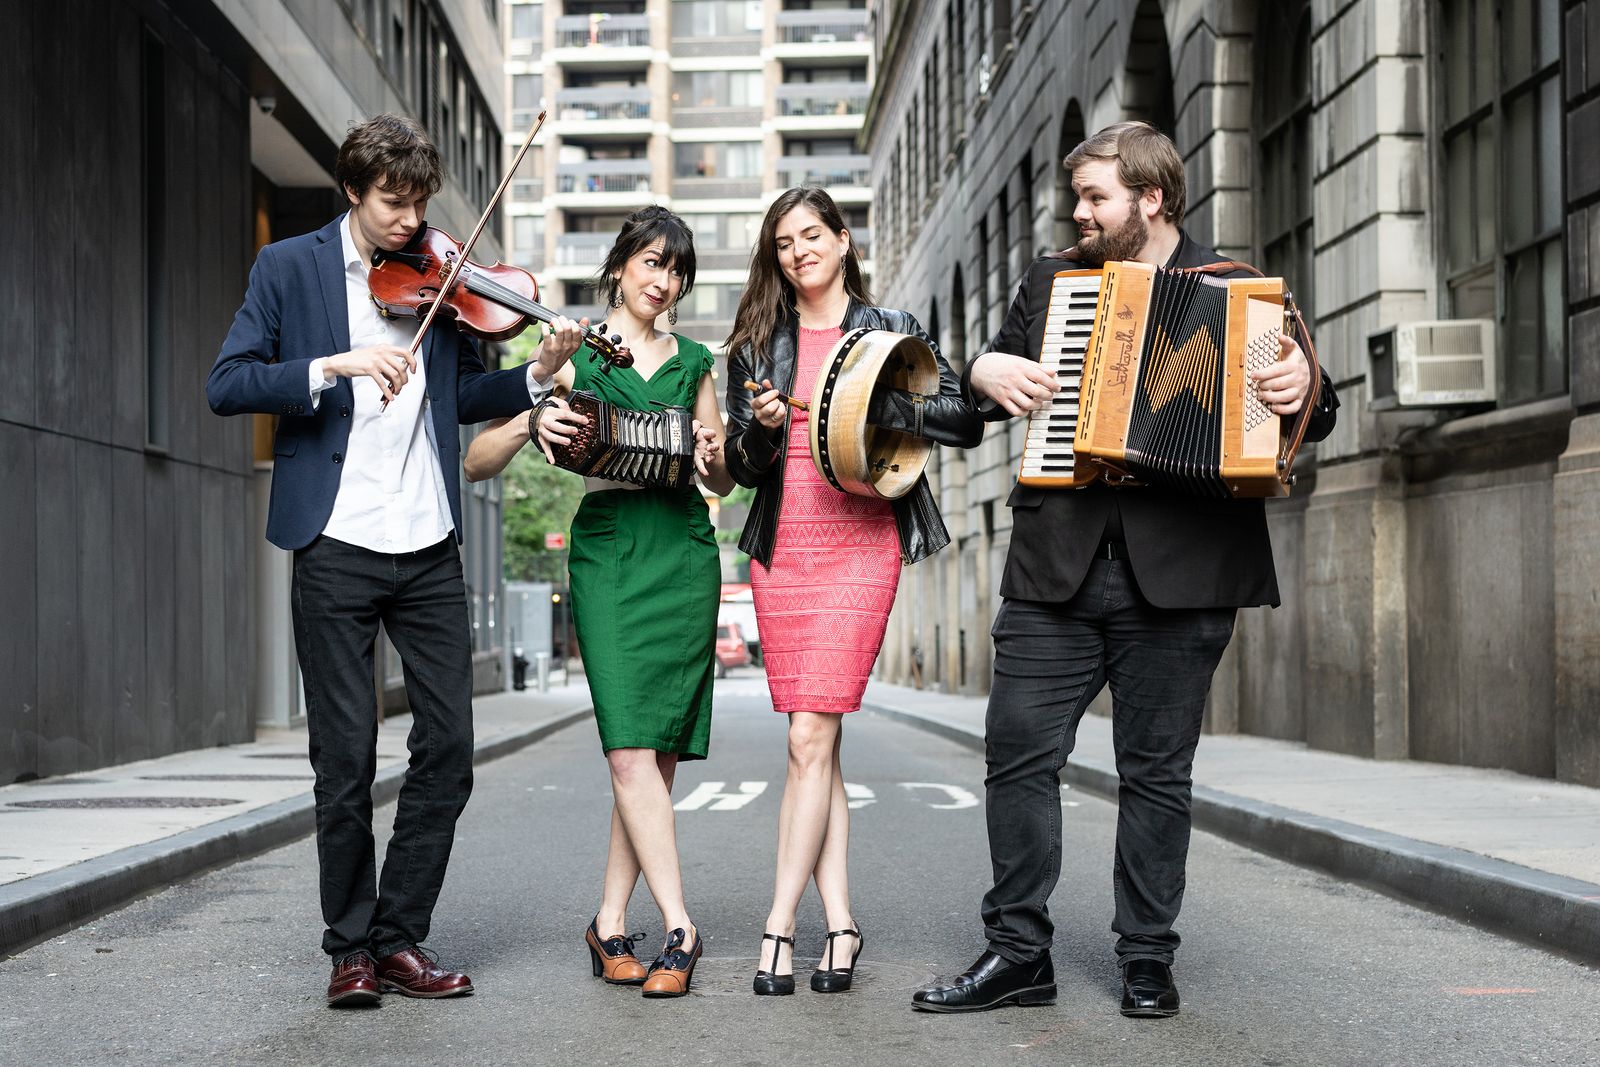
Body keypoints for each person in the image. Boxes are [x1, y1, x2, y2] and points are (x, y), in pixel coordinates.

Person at [911, 121, 1340, 1019]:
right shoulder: (1050, 282)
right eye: (1078, 197)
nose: (1080, 213)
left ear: (1152, 198)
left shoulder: (1237, 289)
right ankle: (1018, 952)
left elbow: (1317, 407)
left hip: (1184, 573)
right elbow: (968, 409)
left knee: (1157, 773)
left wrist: (1306, 384)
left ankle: (1147, 956)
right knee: (1017, 753)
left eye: (1095, 197)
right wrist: (982, 369)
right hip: (1057, 567)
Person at [206, 114, 585, 1007]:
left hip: (425, 542)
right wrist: (332, 365)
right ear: (353, 190)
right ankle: (349, 947)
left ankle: (399, 935)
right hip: (334, 540)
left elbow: (465, 393)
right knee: (343, 758)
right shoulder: (287, 267)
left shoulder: (441, 278)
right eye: (392, 203)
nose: (411, 222)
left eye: (420, 203)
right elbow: (228, 382)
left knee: (448, 747)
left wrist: (537, 374)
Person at [463, 205, 731, 998]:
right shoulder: (573, 353)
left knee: (652, 756)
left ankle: (609, 922)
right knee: (626, 751)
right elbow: (476, 459)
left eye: (676, 269)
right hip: (610, 549)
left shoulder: (695, 362)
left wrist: (716, 455)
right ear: (620, 265)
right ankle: (681, 926)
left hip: (683, 549)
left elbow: (720, 477)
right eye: (652, 262)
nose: (664, 280)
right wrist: (533, 411)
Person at [723, 187, 983, 996]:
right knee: (816, 742)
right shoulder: (755, 344)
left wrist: (878, 400)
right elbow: (739, 469)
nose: (799, 250)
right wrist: (763, 429)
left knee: (810, 737)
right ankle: (840, 922)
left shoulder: (891, 329)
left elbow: (963, 418)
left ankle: (778, 925)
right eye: (784, 242)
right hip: (784, 551)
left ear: (842, 240)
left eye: (812, 234)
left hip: (861, 543)